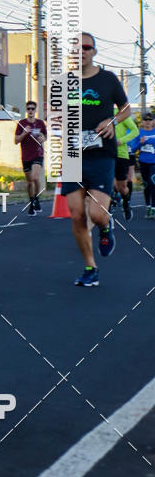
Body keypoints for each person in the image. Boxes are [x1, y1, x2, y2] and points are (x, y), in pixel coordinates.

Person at [61, 33, 130, 287]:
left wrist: (112, 121)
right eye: (76, 48)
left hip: (101, 154)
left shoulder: (108, 79)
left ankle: (105, 226)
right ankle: (91, 267)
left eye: (86, 47)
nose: (81, 51)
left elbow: (126, 109)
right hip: (72, 154)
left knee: (96, 213)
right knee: (77, 215)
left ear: (94, 51)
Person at [14, 101, 47, 214]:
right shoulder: (21, 123)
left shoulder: (40, 123)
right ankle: (31, 201)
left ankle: (36, 198)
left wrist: (42, 138)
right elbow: (16, 141)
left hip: (38, 153)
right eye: (29, 109)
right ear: (26, 110)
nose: (31, 111)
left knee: (35, 177)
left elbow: (45, 136)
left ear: (36, 110)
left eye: (33, 108)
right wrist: (24, 133)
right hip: (26, 156)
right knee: (29, 182)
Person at [112, 116, 139, 221]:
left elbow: (135, 131)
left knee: (122, 187)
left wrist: (121, 141)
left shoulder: (121, 115)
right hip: (106, 154)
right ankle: (109, 207)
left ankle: (126, 203)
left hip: (122, 154)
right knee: (109, 182)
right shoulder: (100, 112)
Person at [135, 112, 155, 218]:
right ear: (142, 122)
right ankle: (148, 206)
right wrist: (141, 143)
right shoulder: (139, 133)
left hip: (154, 162)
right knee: (147, 185)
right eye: (145, 120)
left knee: (153, 184)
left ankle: (153, 208)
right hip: (143, 162)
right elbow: (133, 148)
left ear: (153, 121)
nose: (147, 122)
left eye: (150, 120)